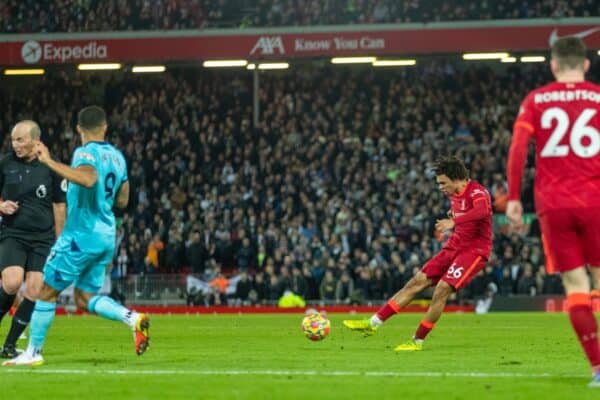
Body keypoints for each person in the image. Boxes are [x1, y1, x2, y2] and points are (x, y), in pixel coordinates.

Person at [3, 106, 149, 367]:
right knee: (84, 298)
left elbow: (89, 179)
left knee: (45, 291)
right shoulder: (117, 157)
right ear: (105, 127)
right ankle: (132, 318)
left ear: (79, 129)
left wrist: (48, 161)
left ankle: (33, 352)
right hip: (106, 235)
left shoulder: (85, 152)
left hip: (81, 235)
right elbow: (124, 199)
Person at [505, 36, 600, 388]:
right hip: (595, 199)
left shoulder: (536, 100)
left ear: (554, 65)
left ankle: (597, 369)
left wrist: (514, 196)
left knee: (576, 286)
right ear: (586, 65)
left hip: (554, 203)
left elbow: (518, 148)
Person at [343, 156, 492, 351]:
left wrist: (455, 221)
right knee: (416, 282)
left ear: (456, 178)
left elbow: (482, 211)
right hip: (454, 245)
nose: (440, 187)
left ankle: (417, 341)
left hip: (474, 251)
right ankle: (374, 323)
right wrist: (453, 215)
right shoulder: (454, 193)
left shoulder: (478, 192)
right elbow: (464, 210)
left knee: (441, 289)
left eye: (442, 182)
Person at [0, 120, 66, 358]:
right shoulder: (5, 163)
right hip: (13, 233)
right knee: (12, 282)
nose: (15, 145)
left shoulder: (51, 166)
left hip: (43, 238)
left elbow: (60, 205)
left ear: (36, 141)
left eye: (20, 140)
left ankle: (8, 346)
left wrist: (60, 240)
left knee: (35, 289)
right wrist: (1, 206)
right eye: (13, 139)